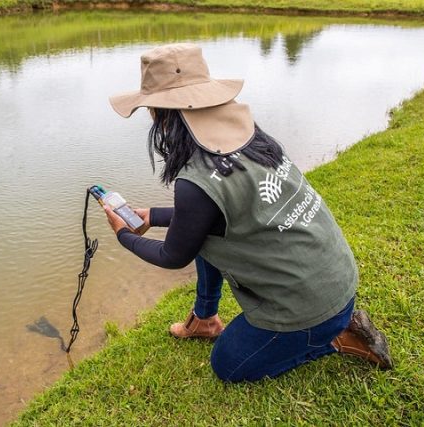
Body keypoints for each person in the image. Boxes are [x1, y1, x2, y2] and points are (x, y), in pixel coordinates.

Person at [104, 43, 393, 382]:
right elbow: (208, 215)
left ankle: (338, 338)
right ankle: (205, 319)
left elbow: (173, 254)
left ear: (163, 114)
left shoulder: (195, 180)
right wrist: (151, 215)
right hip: (336, 281)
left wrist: (123, 234)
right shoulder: (250, 138)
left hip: (309, 307)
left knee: (229, 365)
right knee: (206, 237)